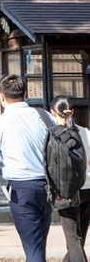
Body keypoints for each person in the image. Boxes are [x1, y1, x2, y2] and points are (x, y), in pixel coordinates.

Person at [0, 74, 52, 262]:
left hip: (22, 189)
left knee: (32, 245)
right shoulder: (44, 116)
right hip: (49, 186)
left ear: (1, 96)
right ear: (25, 93)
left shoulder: (0, 123)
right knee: (39, 242)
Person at [50, 95, 90, 262]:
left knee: (73, 241)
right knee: (78, 240)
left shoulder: (54, 135)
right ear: (72, 112)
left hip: (66, 191)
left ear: (53, 113)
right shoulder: (85, 132)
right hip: (88, 187)